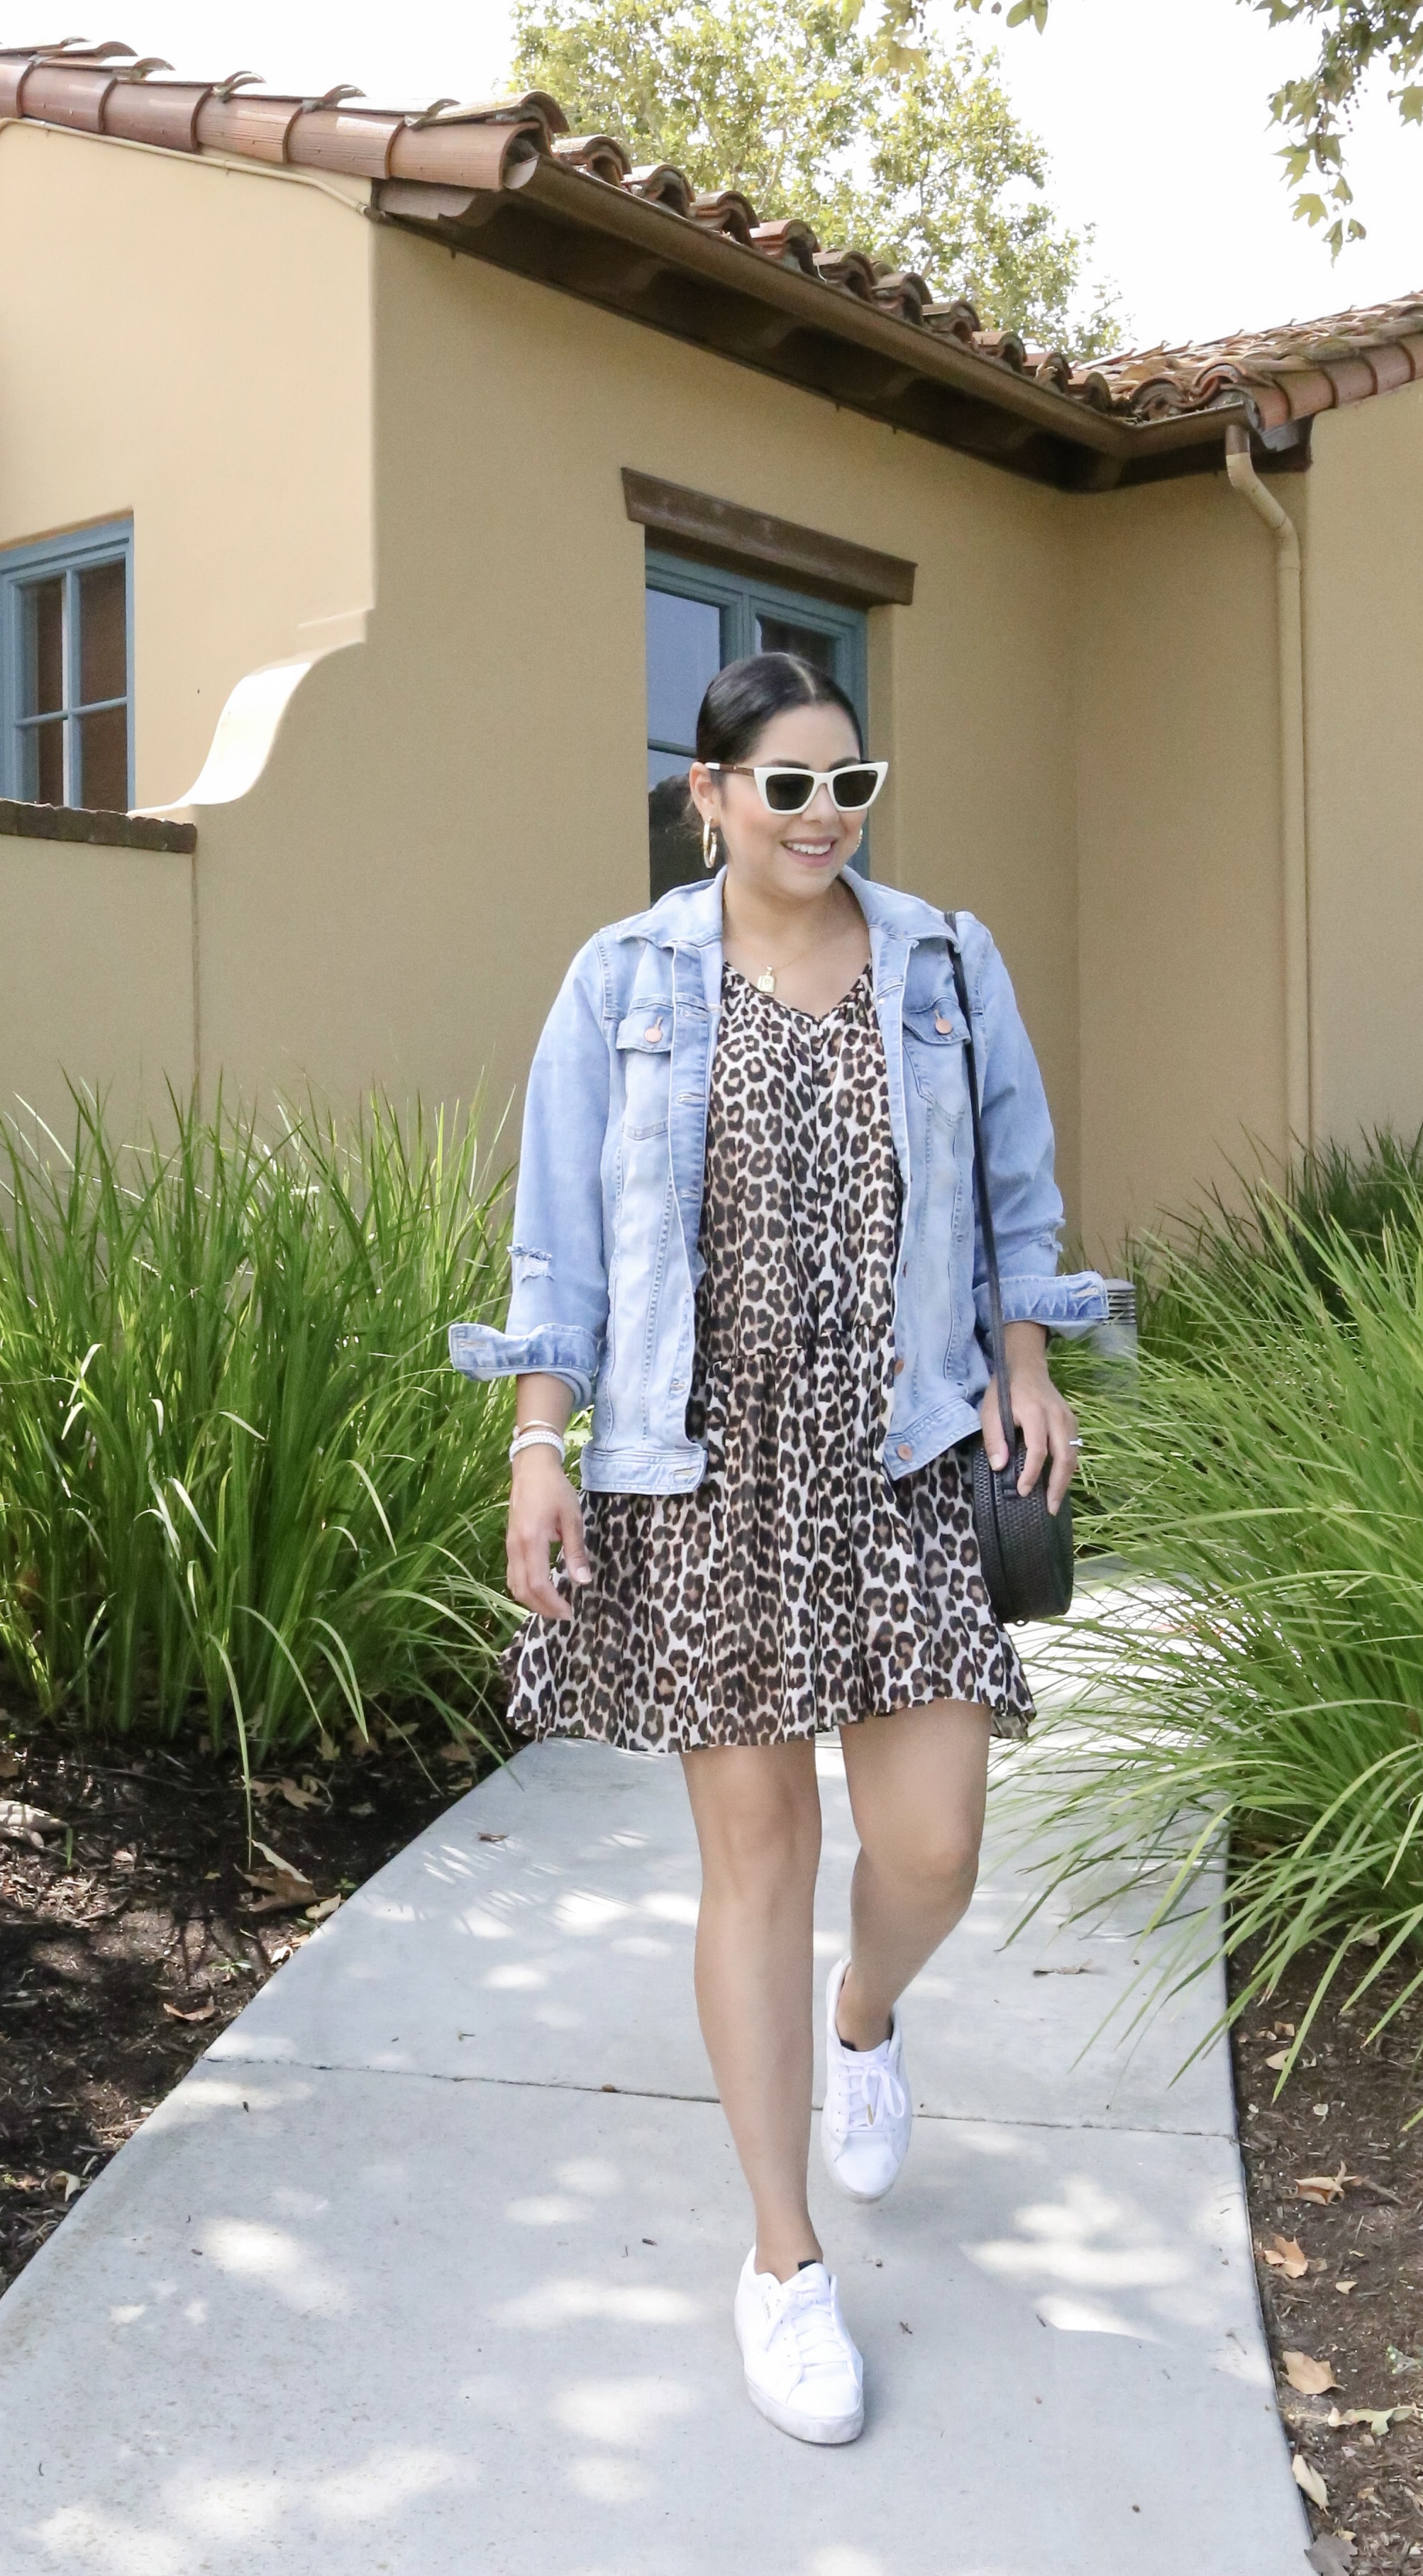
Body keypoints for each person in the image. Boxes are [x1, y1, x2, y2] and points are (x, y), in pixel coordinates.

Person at [450, 649, 1107, 2448]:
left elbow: (1016, 1186)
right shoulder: (624, 985)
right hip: (702, 1467)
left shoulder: (944, 964)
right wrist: (539, 1446)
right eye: (791, 785)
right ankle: (782, 2266)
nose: (827, 816)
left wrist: (1027, 1364)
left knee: (935, 1843)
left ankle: (868, 2016)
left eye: (853, 784)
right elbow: (558, 1250)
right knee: (757, 1852)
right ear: (711, 797)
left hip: (902, 1452)